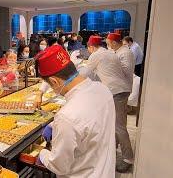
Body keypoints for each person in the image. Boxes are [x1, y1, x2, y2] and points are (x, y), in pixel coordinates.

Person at [36, 45, 116, 177]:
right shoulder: (102, 89)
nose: (53, 90)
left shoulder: (66, 117)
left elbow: (59, 166)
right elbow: (90, 124)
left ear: (54, 81)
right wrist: (53, 126)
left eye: (50, 86)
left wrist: (43, 154)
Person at [106, 33, 135, 172]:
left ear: (113, 42)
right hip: (117, 91)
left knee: (119, 126)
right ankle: (114, 149)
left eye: (108, 43)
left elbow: (124, 72)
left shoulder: (125, 53)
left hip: (121, 91)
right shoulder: (119, 52)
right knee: (115, 124)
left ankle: (128, 158)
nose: (108, 45)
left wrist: (108, 65)